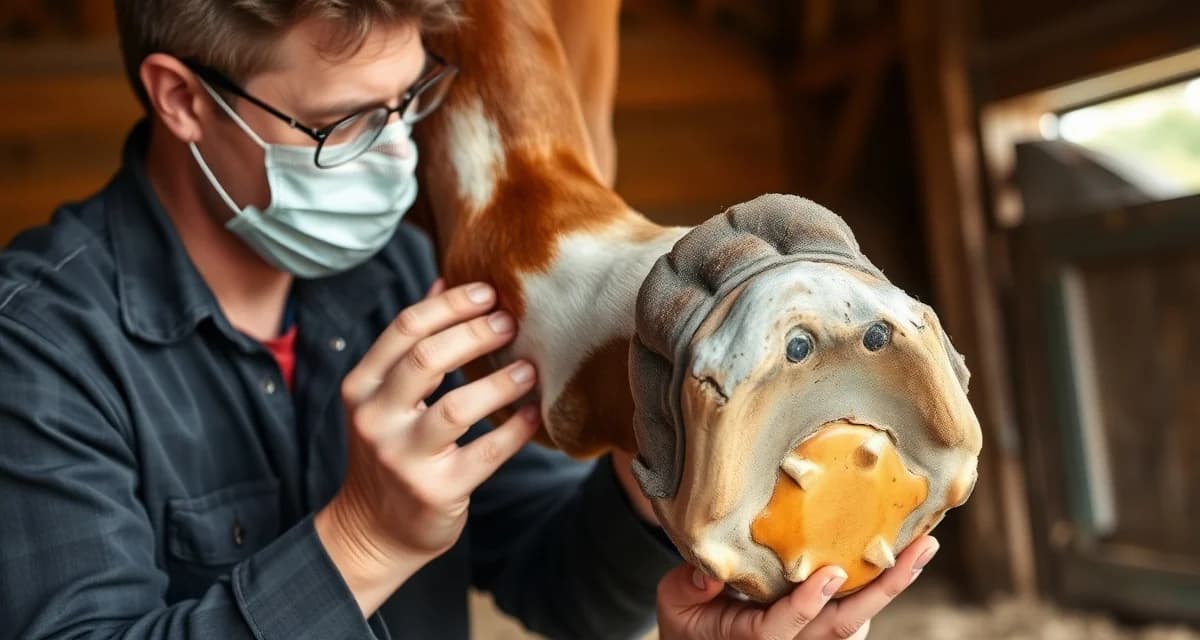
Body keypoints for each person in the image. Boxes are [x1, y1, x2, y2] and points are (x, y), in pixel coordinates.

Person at [0, 1, 936, 638]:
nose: (397, 153)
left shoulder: (407, 277)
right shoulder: (36, 346)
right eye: (343, 124)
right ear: (183, 98)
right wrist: (364, 539)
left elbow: (550, 574)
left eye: (410, 102)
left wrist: (668, 488)